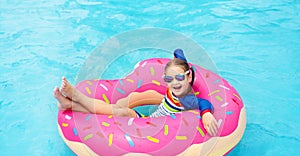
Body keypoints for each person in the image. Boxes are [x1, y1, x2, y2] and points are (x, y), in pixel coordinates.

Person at [54, 49, 218, 136]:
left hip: (150, 127)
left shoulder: (186, 98)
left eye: (179, 78)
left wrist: (206, 114)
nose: (174, 83)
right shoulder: (176, 87)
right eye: (169, 79)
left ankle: (76, 96)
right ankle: (69, 104)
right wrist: (178, 55)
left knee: (120, 112)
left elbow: (203, 102)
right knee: (113, 110)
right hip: (148, 119)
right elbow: (179, 55)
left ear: (189, 77)